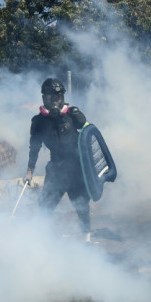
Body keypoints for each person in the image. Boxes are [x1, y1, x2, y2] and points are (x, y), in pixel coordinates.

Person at [24, 78, 93, 241]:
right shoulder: (38, 121)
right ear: (44, 99)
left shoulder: (73, 114)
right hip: (56, 168)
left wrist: (92, 166)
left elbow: (91, 135)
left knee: (82, 205)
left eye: (58, 98)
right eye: (50, 98)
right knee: (45, 206)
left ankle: (86, 240)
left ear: (62, 98)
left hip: (77, 167)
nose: (55, 101)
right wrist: (29, 170)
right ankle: (45, 240)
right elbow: (34, 147)